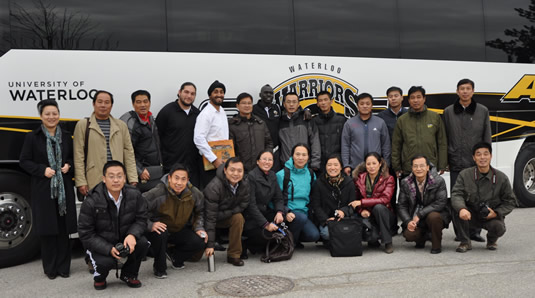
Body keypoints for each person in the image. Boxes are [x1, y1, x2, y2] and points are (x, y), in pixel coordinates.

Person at [19, 100, 77, 279]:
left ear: (59, 114)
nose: (52, 117)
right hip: (44, 189)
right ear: (41, 116)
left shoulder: (66, 136)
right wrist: (42, 170)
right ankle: (50, 268)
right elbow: (24, 161)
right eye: (47, 114)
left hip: (64, 189)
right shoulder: (32, 137)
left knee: (63, 229)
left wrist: (68, 165)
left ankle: (64, 267)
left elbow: (73, 159)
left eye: (55, 113)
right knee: (48, 229)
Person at [78, 160, 149, 290]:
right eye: (111, 176)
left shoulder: (135, 194)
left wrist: (132, 235)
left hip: (124, 237)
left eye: (119, 176)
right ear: (104, 179)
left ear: (125, 178)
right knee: (106, 262)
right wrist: (108, 248)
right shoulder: (92, 200)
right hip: (102, 243)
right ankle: (100, 276)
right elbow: (85, 233)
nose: (116, 180)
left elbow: (142, 219)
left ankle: (129, 275)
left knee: (142, 243)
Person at [443, 78, 492, 242]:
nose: (465, 91)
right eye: (461, 89)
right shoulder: (449, 111)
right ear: (457, 92)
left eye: (468, 88)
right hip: (456, 161)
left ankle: (475, 231)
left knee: (478, 197)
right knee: (458, 198)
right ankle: (460, 233)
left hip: (475, 163)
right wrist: (446, 160)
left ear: (473, 91)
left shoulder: (482, 111)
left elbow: (487, 137)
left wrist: (486, 158)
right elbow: (444, 138)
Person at [143, 164, 206, 278]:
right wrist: (150, 225)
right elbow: (138, 209)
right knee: (160, 233)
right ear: (169, 178)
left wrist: (199, 228)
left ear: (188, 180)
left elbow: (200, 211)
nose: (179, 183)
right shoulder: (157, 192)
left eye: (183, 179)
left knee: (201, 240)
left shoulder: (194, 193)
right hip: (158, 230)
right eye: (176, 178)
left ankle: (176, 258)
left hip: (178, 229)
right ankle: (159, 268)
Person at [451, 142, 516, 252]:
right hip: (471, 214)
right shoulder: (465, 174)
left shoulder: (501, 178)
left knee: (499, 228)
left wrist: (496, 213)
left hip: (490, 214)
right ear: (473, 158)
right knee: (455, 209)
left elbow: (510, 201)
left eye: (486, 154)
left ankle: (491, 240)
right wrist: (462, 208)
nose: (482, 157)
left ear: (491, 156)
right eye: (478, 154)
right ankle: (465, 242)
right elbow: (456, 194)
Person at [74, 90, 138, 195]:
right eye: (100, 102)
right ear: (93, 104)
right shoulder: (83, 125)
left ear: (111, 105)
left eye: (107, 102)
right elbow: (78, 155)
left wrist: (133, 177)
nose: (103, 105)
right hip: (94, 178)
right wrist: (81, 181)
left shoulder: (121, 125)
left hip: (117, 178)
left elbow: (128, 152)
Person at [392, 86, 447, 179]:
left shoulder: (434, 117)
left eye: (418, 97)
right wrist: (396, 167)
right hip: (408, 168)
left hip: (430, 166)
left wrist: (442, 164)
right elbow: (396, 145)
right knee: (408, 193)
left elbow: (442, 143)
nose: (415, 100)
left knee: (431, 193)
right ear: (408, 100)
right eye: (412, 98)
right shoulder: (402, 120)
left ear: (424, 99)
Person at [203, 157, 250, 266]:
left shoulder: (244, 184)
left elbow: (244, 203)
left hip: (227, 215)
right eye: (232, 170)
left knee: (238, 218)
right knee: (193, 257)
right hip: (208, 218)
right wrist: (210, 245)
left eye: (239, 171)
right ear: (225, 170)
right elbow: (210, 218)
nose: (236, 174)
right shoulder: (214, 187)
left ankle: (234, 255)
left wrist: (230, 212)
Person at [398, 155, 449, 254]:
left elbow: (441, 202)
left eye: (422, 166)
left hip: (433, 214)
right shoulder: (405, 182)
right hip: (415, 216)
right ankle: (422, 238)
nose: (419, 169)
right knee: (409, 235)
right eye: (415, 166)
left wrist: (420, 214)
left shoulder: (438, 181)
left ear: (427, 167)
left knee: (433, 217)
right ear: (412, 168)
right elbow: (401, 205)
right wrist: (408, 221)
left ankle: (436, 245)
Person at [156, 82, 201, 187]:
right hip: (171, 166)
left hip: (192, 169)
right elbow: (157, 137)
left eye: (192, 94)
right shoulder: (166, 111)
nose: (189, 96)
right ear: (179, 92)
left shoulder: (198, 114)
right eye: (186, 92)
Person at [350, 152, 396, 253]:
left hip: (385, 214)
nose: (371, 167)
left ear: (380, 164)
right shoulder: (359, 178)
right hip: (368, 214)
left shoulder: (388, 178)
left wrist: (362, 202)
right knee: (371, 236)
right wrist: (361, 210)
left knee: (378, 207)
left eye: (374, 163)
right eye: (368, 164)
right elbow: (355, 200)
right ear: (365, 165)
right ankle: (373, 239)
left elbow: (385, 199)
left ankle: (388, 242)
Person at [242, 150, 285, 258]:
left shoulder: (272, 175)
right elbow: (251, 205)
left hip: (266, 212)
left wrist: (280, 212)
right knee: (270, 235)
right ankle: (246, 243)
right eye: (264, 159)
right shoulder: (251, 177)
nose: (267, 162)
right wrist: (266, 224)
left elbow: (278, 198)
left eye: (270, 159)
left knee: (284, 230)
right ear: (257, 161)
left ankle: (260, 247)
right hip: (252, 218)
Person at [277, 143, 320, 248]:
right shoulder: (282, 175)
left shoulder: (310, 174)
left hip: (304, 213)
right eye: (298, 154)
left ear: (308, 157)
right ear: (292, 156)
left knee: (314, 235)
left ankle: (294, 237)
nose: (301, 158)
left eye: (304, 155)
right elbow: (274, 198)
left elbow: (313, 194)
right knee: (300, 218)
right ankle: (290, 242)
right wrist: (285, 211)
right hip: (288, 213)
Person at [120, 90, 162, 192]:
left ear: (149, 103)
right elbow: (126, 150)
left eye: (145, 101)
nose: (143, 105)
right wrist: (139, 170)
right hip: (140, 174)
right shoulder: (130, 122)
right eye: (138, 102)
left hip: (153, 171)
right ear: (133, 104)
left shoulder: (151, 119)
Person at [341, 93, 391, 176]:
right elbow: (345, 145)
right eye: (362, 104)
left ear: (372, 106)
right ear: (357, 105)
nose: (365, 106)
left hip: (375, 167)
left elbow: (386, 145)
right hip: (355, 167)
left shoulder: (380, 122)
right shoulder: (349, 123)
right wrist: (346, 164)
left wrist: (386, 165)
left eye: (368, 104)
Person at [310, 154, 355, 243]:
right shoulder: (319, 183)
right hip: (327, 219)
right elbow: (316, 206)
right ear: (325, 167)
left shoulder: (349, 182)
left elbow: (352, 204)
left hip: (345, 218)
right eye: (329, 165)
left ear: (341, 167)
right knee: (327, 233)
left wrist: (343, 212)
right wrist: (326, 220)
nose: (332, 168)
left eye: (336, 165)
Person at [194, 80, 229, 187]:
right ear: (210, 95)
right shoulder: (205, 114)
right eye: (216, 92)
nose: (219, 94)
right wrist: (214, 159)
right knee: (210, 191)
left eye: (221, 92)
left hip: (222, 160)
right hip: (209, 162)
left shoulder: (222, 111)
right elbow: (198, 139)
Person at [229, 92, 273, 172]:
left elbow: (269, 143)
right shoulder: (232, 126)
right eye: (244, 103)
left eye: (249, 103)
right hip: (241, 170)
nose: (247, 106)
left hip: (260, 170)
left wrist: (265, 159)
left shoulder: (260, 123)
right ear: (237, 106)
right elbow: (230, 150)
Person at [278, 92, 321, 171]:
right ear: (284, 104)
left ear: (298, 104)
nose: (291, 104)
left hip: (305, 166)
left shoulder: (306, 119)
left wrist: (315, 164)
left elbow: (315, 142)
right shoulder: (279, 121)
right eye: (288, 102)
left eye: (294, 102)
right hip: (286, 167)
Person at [311, 91, 347, 174]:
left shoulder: (341, 120)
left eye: (325, 100)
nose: (323, 103)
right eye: (320, 100)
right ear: (317, 103)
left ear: (331, 101)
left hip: (337, 163)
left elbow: (346, 143)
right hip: (320, 165)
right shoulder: (313, 121)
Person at [253, 84, 283, 171]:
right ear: (260, 95)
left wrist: (306, 110)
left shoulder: (277, 108)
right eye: (266, 93)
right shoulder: (253, 109)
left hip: (275, 150)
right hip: (260, 151)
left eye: (271, 93)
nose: (269, 95)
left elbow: (292, 110)